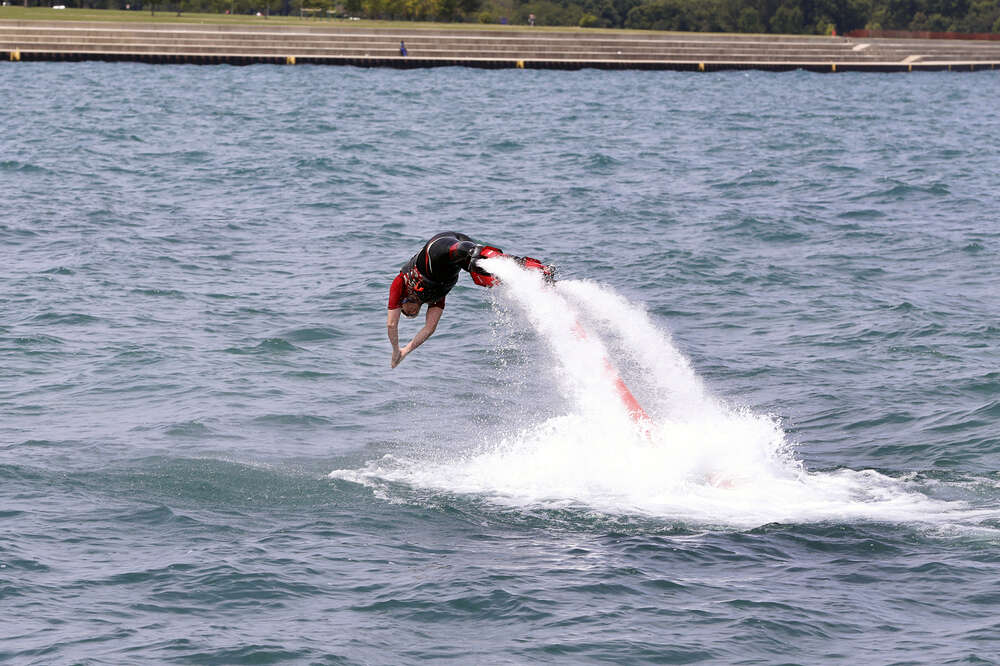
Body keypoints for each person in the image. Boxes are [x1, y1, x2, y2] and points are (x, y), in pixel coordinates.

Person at [387, 232, 552, 368]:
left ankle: (474, 251)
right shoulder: (435, 298)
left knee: (468, 252)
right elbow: (429, 328)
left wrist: (395, 349)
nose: (409, 313)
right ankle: (534, 270)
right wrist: (405, 351)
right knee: (484, 273)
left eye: (404, 311)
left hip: (437, 249)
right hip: (458, 259)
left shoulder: (400, 282)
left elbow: (391, 324)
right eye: (411, 315)